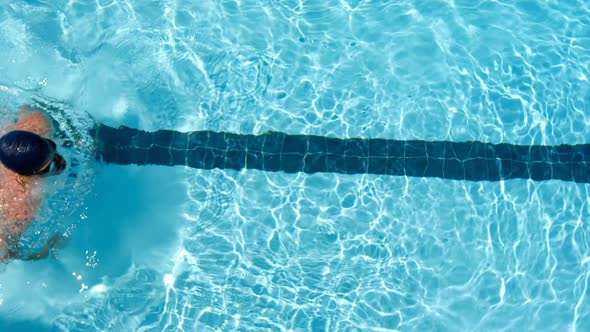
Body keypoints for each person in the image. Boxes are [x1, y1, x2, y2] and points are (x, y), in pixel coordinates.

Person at [0, 105, 67, 262]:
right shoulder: (21, 207)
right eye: (48, 168)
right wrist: (45, 250)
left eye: (52, 146)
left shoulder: (37, 122)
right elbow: (6, 255)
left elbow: (25, 106)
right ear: (26, 175)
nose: (61, 162)